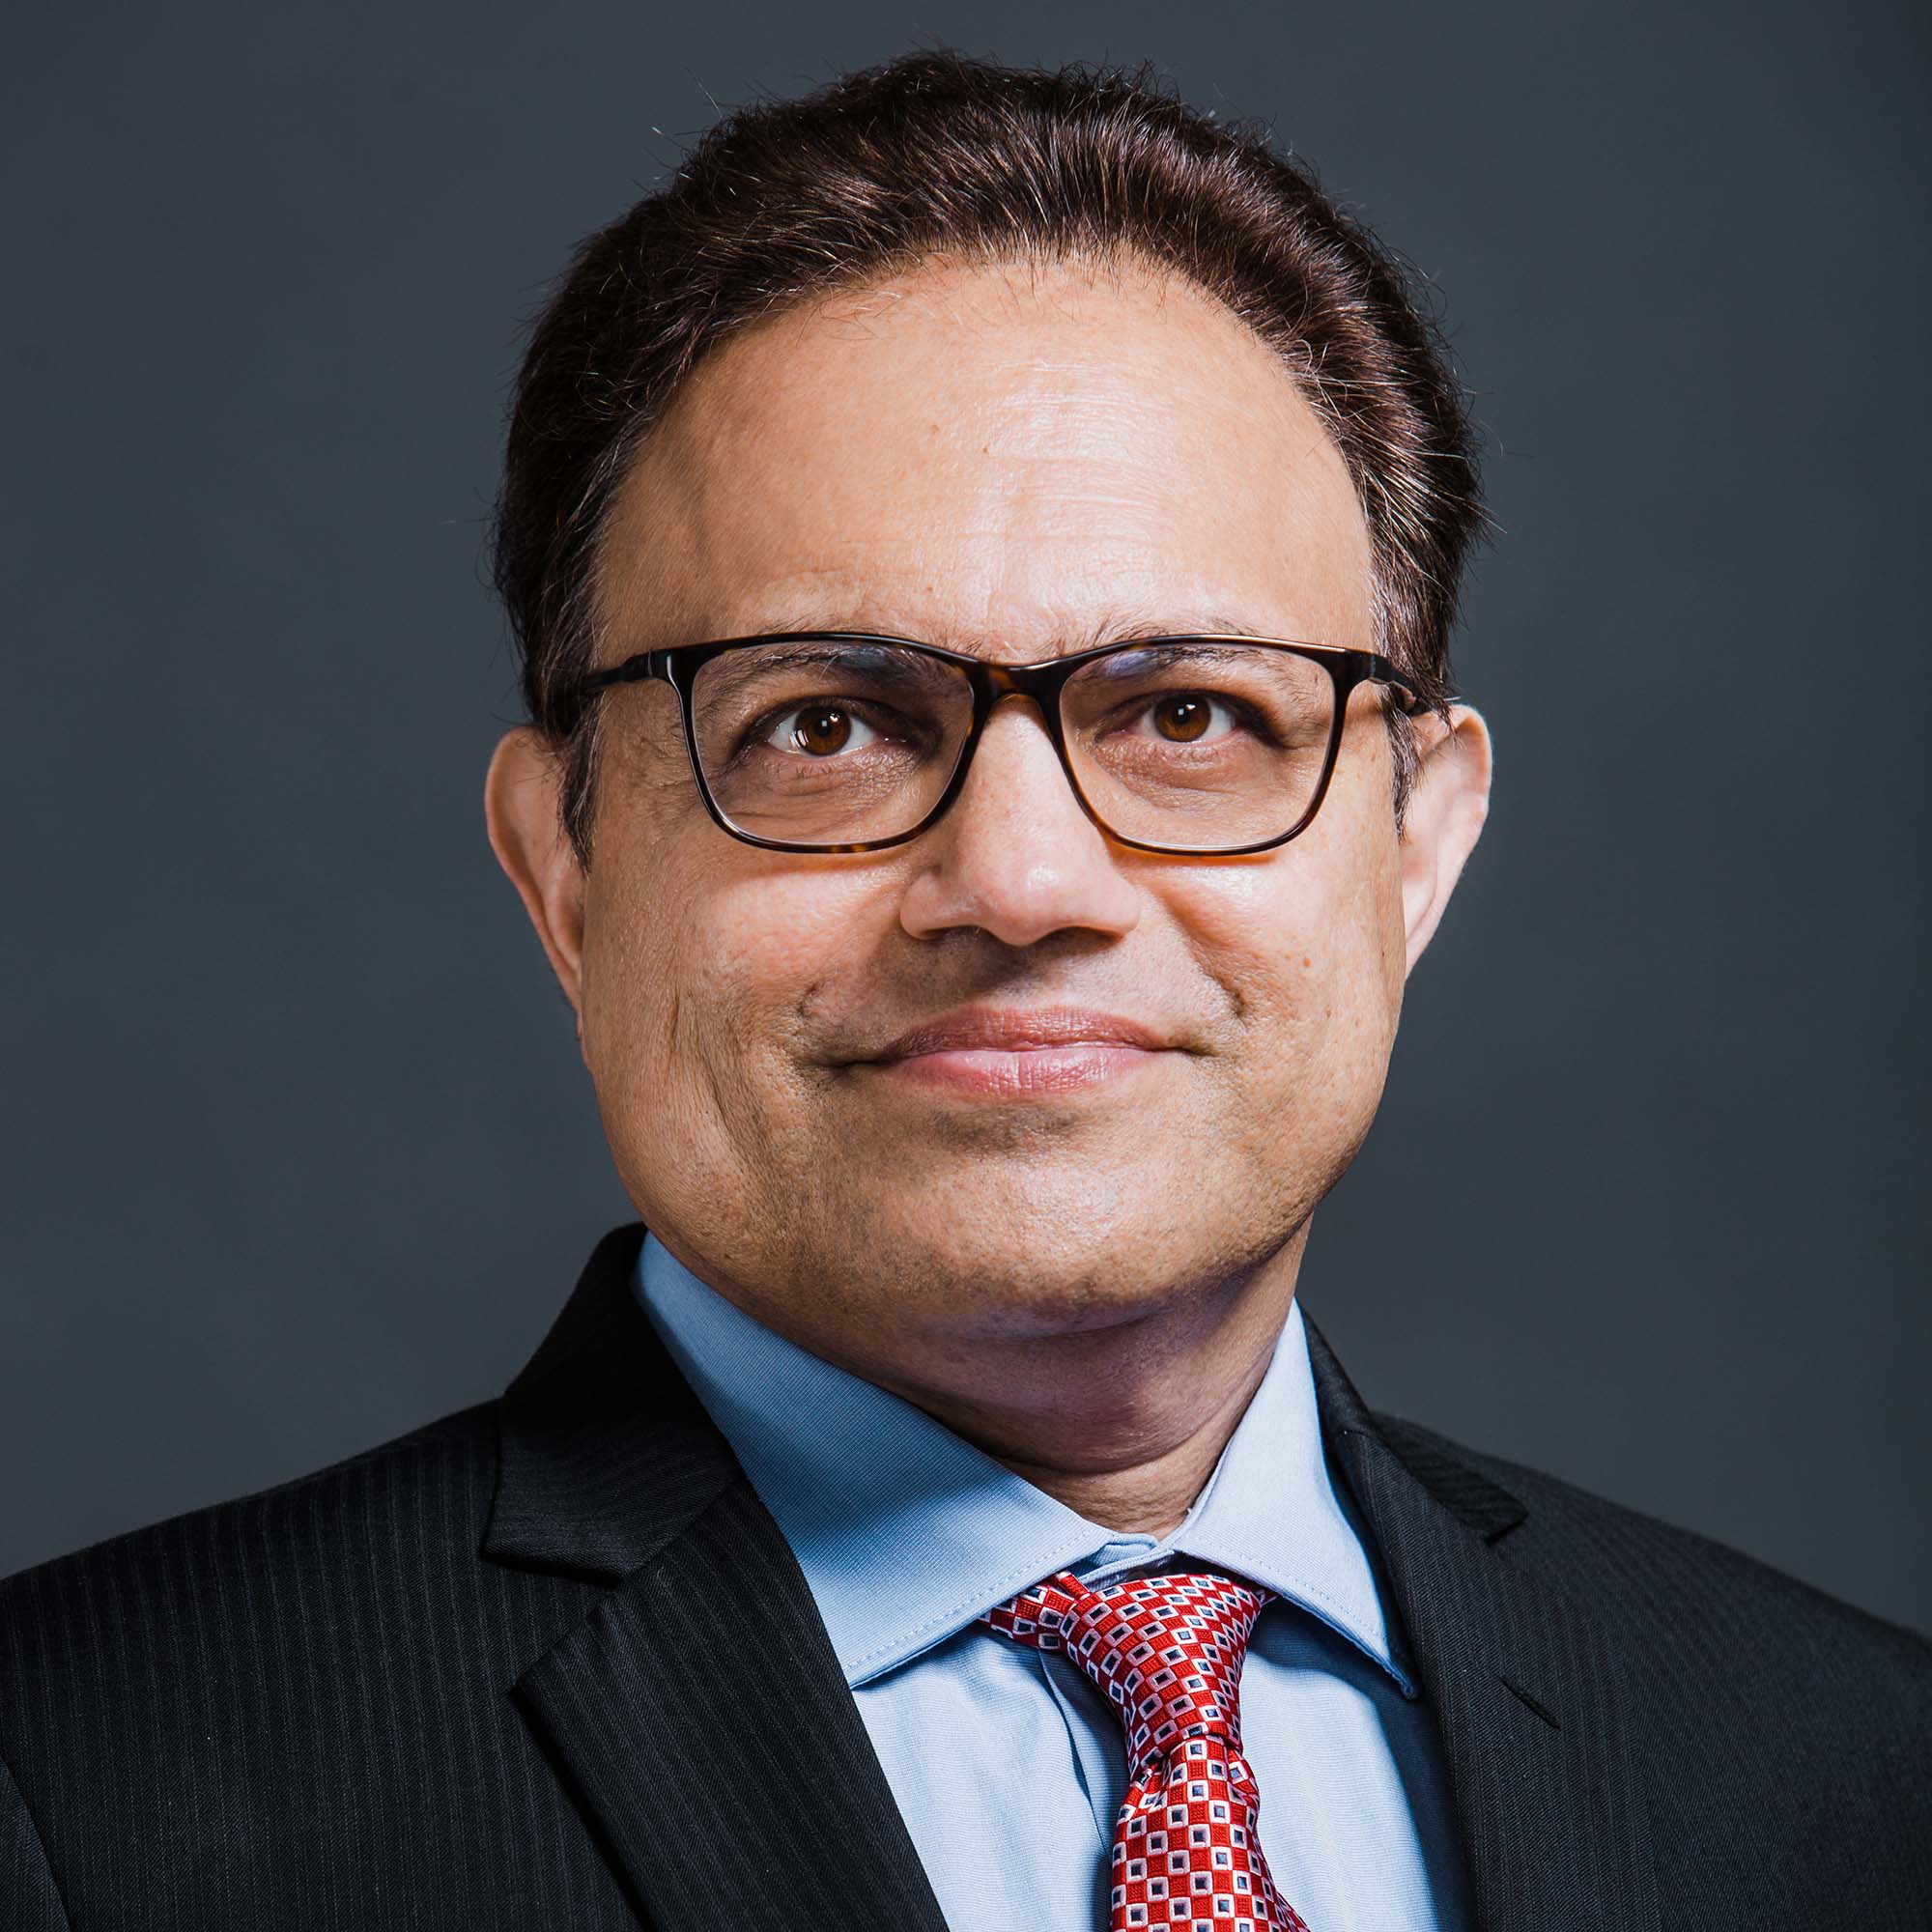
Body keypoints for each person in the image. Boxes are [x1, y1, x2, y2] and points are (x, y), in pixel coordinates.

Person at [2, 48, 1925, 1932]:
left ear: (1414, 841)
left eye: (1190, 714)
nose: (1018, 882)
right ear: (565, 864)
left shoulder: (1850, 1769)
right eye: (825, 723)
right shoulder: (75, 1799)